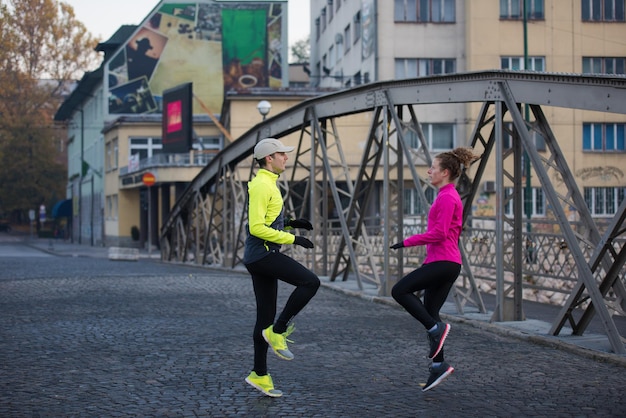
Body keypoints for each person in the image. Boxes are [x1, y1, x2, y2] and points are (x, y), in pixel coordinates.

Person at [390, 147, 480, 392]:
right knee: (430, 312)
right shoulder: (445, 195)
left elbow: (440, 233)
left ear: (446, 172)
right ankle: (439, 365)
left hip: (444, 262)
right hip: (442, 262)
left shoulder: (448, 197)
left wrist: (407, 242)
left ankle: (435, 330)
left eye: (433, 168)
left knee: (400, 291)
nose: (429, 171)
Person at [243, 137, 320, 397]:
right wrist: (293, 239)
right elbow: (256, 227)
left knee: (263, 319)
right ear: (269, 158)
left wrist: (291, 223)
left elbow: (268, 220)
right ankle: (278, 331)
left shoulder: (267, 183)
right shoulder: (263, 186)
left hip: (258, 257)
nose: (286, 158)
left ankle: (260, 375)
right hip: (263, 256)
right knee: (310, 282)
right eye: (282, 154)